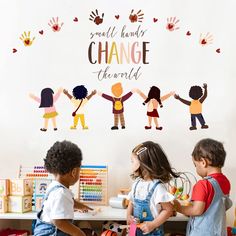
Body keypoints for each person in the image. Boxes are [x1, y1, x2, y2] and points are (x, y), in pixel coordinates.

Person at [174, 138, 232, 236]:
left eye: (195, 165)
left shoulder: (202, 184)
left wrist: (178, 207)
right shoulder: (225, 182)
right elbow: (214, 208)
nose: (196, 168)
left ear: (203, 162)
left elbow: (196, 210)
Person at [34, 140, 93, 236]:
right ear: (74, 172)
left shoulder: (54, 186)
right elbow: (59, 222)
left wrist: (82, 206)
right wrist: (79, 233)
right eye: (80, 169)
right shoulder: (61, 193)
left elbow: (69, 201)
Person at [127, 141, 179, 235]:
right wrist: (128, 217)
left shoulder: (158, 187)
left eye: (132, 161)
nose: (131, 164)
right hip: (134, 229)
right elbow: (131, 202)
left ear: (143, 163)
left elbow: (168, 209)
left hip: (152, 230)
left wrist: (153, 224)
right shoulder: (136, 184)